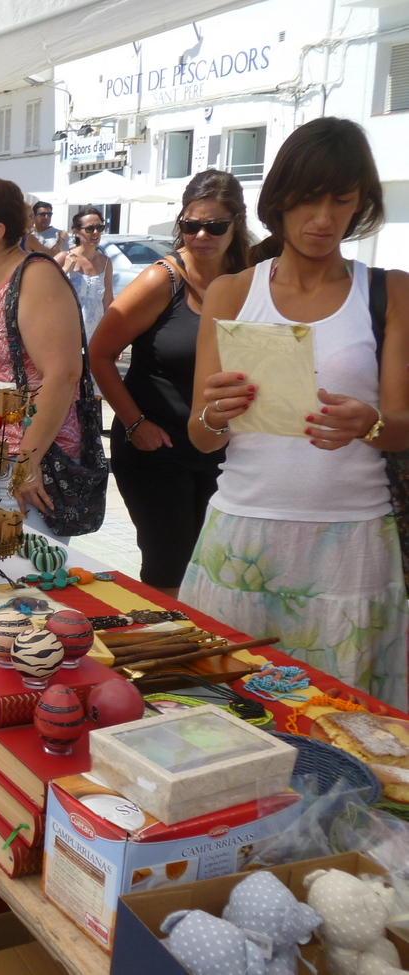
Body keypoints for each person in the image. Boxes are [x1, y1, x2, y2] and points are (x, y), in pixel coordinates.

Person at [182, 117, 408, 708]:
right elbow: (202, 439)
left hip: (351, 543)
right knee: (223, 719)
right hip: (241, 531)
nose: (324, 219)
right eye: (309, 199)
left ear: (362, 203)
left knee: (344, 724)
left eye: (342, 199)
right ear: (279, 200)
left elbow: (404, 426)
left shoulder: (390, 292)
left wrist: (372, 422)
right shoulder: (233, 293)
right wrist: (214, 413)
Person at [90, 170, 248, 596]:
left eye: (214, 226)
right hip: (157, 449)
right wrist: (135, 423)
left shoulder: (249, 281)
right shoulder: (163, 280)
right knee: (169, 571)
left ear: (237, 223)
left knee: (219, 569)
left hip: (226, 451)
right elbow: (99, 355)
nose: (201, 235)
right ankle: (164, 654)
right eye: (190, 225)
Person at [0, 174, 85, 542]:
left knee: (26, 580)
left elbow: (63, 373)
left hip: (24, 469)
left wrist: (28, 460)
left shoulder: (35, 276)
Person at [56, 207, 113, 341]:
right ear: (76, 232)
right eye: (89, 229)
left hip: (95, 334)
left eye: (100, 228)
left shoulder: (106, 262)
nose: (95, 232)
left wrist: (112, 336)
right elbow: (43, 290)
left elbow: (108, 301)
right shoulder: (64, 257)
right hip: (68, 334)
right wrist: (65, 270)